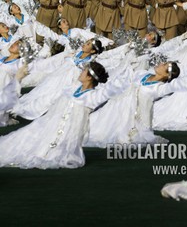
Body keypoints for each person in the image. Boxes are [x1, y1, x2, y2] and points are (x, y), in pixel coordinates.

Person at [0, 61, 130, 169]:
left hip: (66, 136)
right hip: (49, 126)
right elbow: (50, 99)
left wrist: (124, 77)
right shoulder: (73, 88)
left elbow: (109, 90)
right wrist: (22, 108)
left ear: (89, 77)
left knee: (44, 153)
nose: (81, 72)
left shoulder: (92, 97)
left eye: (84, 71)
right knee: (21, 141)